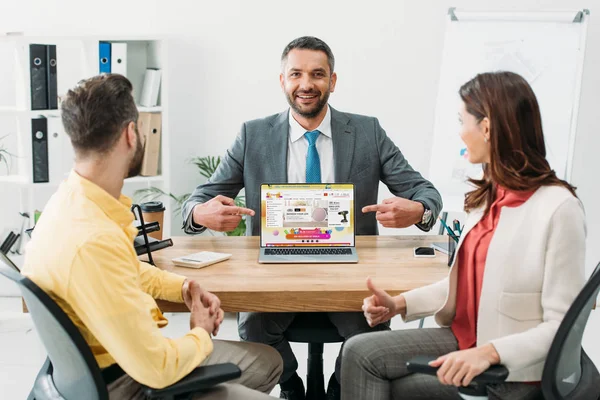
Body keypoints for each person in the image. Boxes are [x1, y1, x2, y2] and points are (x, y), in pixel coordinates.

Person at [181, 36, 442, 400]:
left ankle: (339, 386)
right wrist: (200, 212)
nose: (306, 84)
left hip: (351, 272)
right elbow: (197, 200)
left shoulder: (367, 132)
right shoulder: (252, 135)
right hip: (274, 271)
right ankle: (290, 384)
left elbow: (425, 193)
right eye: (296, 74)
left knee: (372, 331)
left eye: (318, 74)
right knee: (255, 324)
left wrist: (419, 210)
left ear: (332, 81)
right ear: (283, 81)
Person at [22, 74, 282, 400]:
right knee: (264, 366)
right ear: (131, 133)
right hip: (129, 384)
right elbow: (157, 368)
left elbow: (120, 267)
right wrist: (200, 330)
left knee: (269, 360)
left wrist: (183, 286)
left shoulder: (68, 205)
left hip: (97, 371)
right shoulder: (93, 239)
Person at [340, 71, 587, 400]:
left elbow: (563, 328)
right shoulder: (489, 197)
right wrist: (399, 305)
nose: (459, 134)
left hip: (512, 370)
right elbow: (464, 286)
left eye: (462, 121)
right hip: (467, 339)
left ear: (486, 128)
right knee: (360, 353)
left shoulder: (559, 209)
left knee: (389, 380)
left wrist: (488, 353)